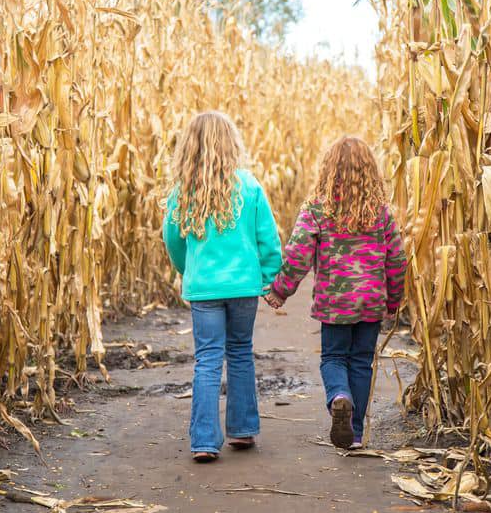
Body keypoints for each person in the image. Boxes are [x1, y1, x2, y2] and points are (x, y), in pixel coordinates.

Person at [265, 136, 407, 449]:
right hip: (371, 302)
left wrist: (280, 290)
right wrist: (394, 299)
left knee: (333, 358)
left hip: (335, 302)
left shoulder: (317, 208)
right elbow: (397, 258)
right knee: (360, 362)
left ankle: (339, 397)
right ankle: (354, 434)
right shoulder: (381, 212)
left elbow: (298, 253)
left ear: (329, 170)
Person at [163, 111, 281, 463]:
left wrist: (189, 270)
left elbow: (173, 239)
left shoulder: (184, 190)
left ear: (190, 146)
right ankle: (243, 429)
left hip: (205, 290)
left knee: (208, 359)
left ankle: (203, 440)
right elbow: (268, 239)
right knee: (241, 351)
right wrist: (268, 278)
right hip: (244, 286)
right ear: (231, 143)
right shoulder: (249, 185)